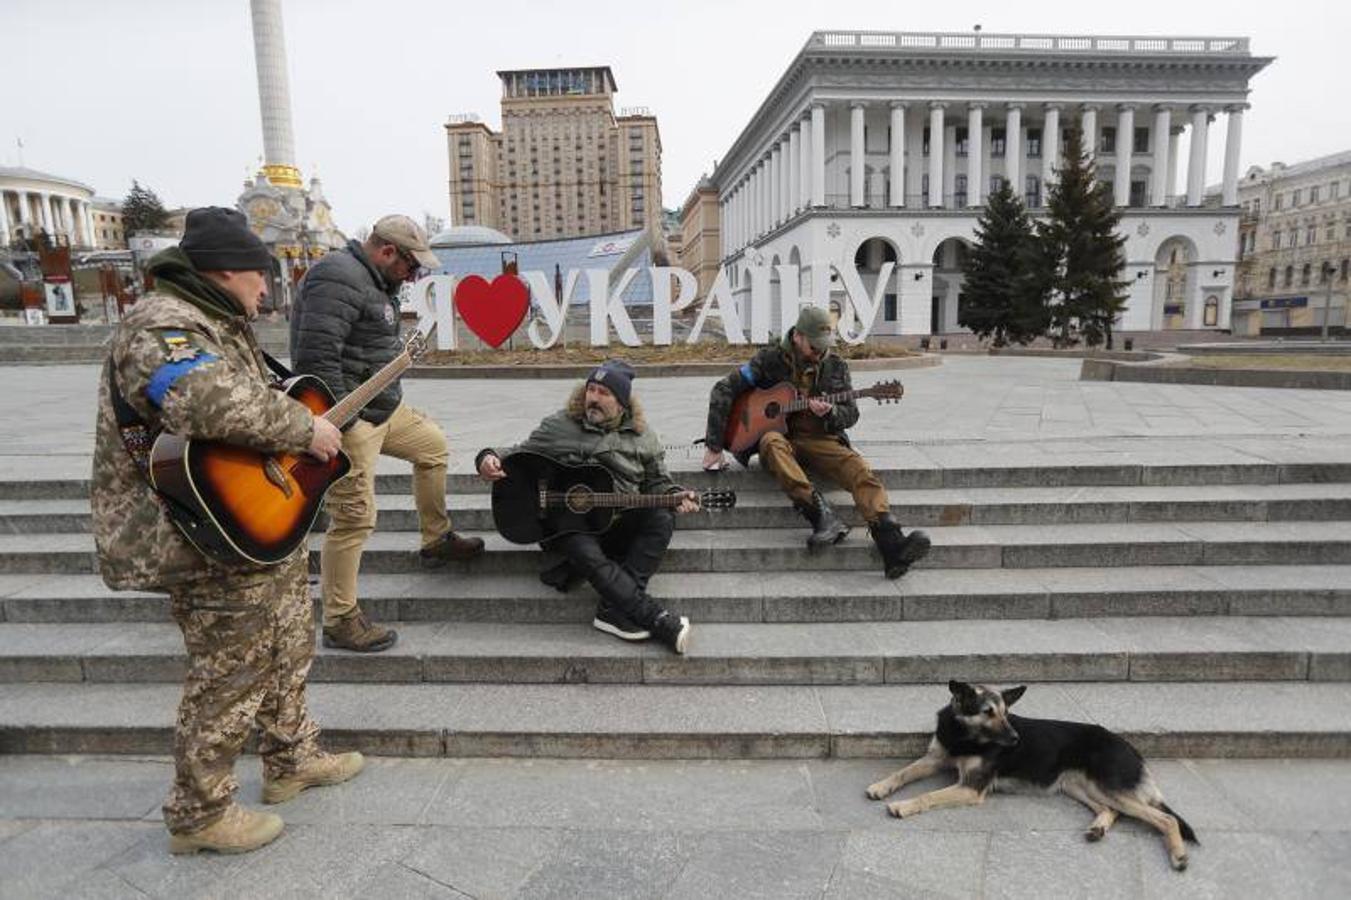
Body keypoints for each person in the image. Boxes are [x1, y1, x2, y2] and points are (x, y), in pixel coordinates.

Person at [90, 207, 363, 855]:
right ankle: (200, 813)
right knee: (229, 669)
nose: (267, 290)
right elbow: (201, 399)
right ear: (228, 271)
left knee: (288, 642)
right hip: (193, 530)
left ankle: (291, 757)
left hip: (242, 522)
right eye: (260, 276)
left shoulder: (216, 321)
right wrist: (304, 429)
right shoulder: (162, 324)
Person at [290, 214, 484, 653]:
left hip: (384, 409)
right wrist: (345, 422)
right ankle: (340, 619)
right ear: (386, 251)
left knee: (433, 447)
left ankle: (436, 539)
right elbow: (316, 358)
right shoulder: (336, 276)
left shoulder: (377, 282)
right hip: (349, 419)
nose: (414, 275)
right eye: (410, 265)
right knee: (355, 517)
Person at [476, 360, 696, 653]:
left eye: (604, 392)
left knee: (661, 517)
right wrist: (487, 458)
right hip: (567, 525)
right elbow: (517, 454)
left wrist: (675, 495)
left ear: (621, 402)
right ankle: (654, 617)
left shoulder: (644, 437)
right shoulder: (560, 425)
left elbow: (657, 482)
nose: (593, 397)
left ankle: (612, 608)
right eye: (590, 389)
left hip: (617, 522)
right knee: (577, 540)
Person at [701, 306, 931, 579]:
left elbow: (851, 413)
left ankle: (891, 543)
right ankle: (821, 517)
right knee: (771, 442)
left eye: (824, 346)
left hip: (820, 438)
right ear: (798, 336)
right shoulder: (769, 359)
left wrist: (831, 412)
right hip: (781, 440)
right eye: (814, 346)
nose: (820, 352)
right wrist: (715, 446)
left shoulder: (836, 366)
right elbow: (724, 389)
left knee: (858, 468)